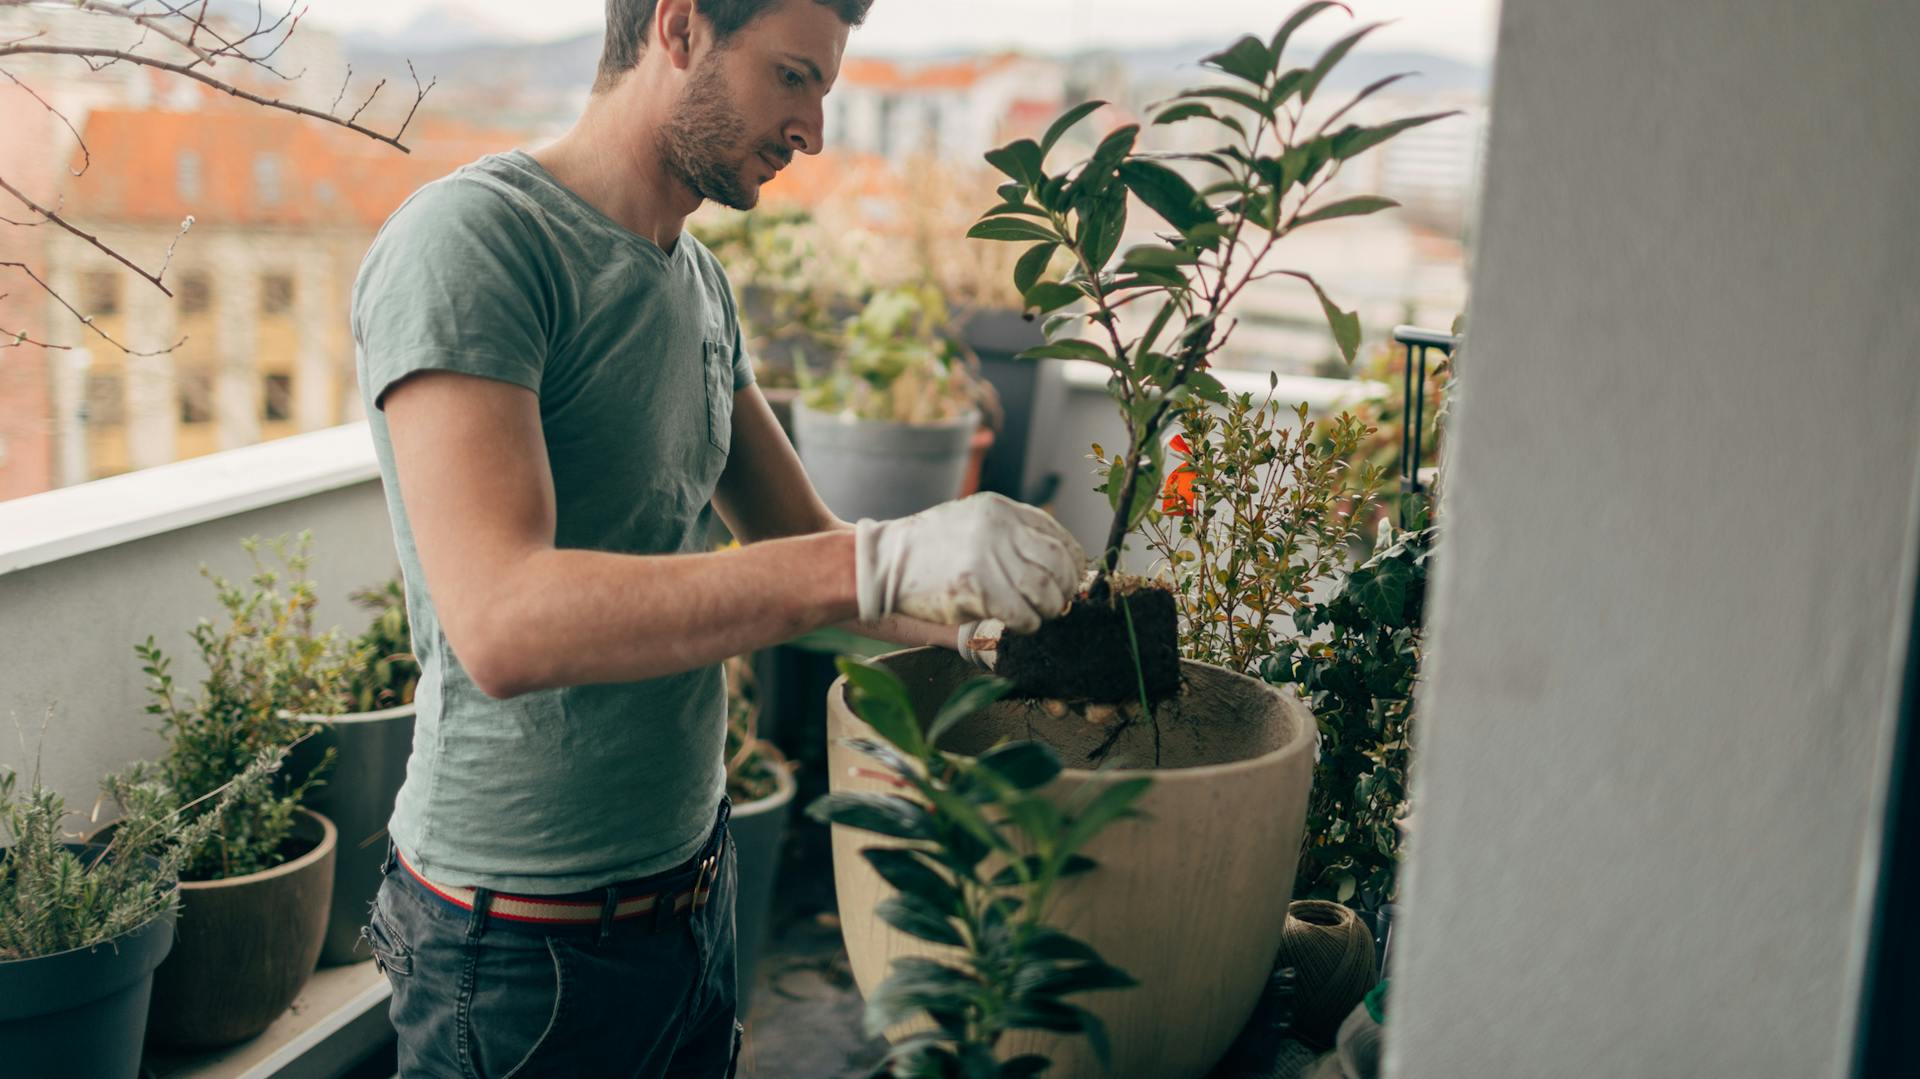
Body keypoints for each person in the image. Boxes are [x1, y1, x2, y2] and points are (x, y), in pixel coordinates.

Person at [348, 0, 1084, 1074]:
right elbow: (504, 622)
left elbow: (812, 545)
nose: (814, 131)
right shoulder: (474, 242)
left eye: (824, 90)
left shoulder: (696, 282)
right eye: (793, 77)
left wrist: (1001, 630)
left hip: (694, 898)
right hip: (514, 955)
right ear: (680, 27)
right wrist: (880, 555)